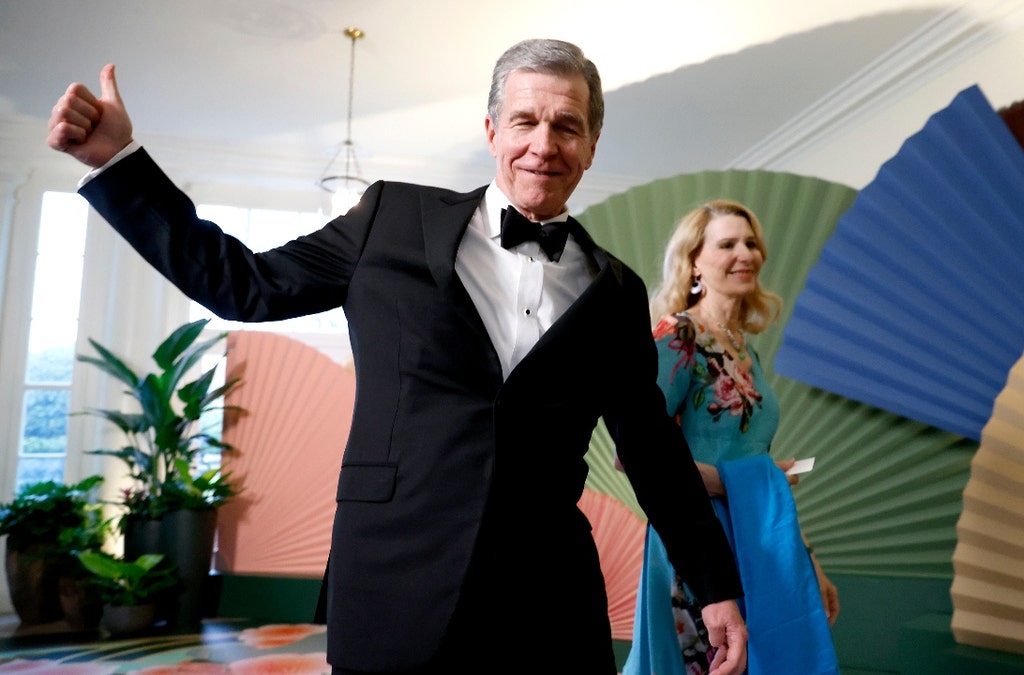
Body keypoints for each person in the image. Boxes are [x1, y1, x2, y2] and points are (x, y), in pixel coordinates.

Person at [46, 39, 748, 675]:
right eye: (526, 121)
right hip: (394, 576)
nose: (545, 144)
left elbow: (653, 450)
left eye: (567, 125)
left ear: (592, 143)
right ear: (492, 131)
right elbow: (243, 285)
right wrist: (119, 164)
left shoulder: (618, 291)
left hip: (548, 600)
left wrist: (715, 585)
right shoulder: (389, 220)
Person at [623, 199, 840, 674]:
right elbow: (634, 454)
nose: (745, 253)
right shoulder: (678, 336)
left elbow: (758, 464)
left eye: (751, 243)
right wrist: (731, 483)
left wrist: (808, 562)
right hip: (696, 539)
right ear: (694, 259)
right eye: (727, 244)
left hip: (761, 535)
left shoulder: (744, 348)